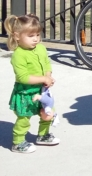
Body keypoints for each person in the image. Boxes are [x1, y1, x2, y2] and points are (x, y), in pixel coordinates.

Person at [5, 14, 59, 154]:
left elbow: (47, 63)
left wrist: (48, 75)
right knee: (24, 119)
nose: (36, 39)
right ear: (17, 36)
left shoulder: (40, 49)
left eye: (37, 34)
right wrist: (43, 79)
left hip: (42, 91)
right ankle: (17, 142)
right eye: (30, 36)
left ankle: (43, 135)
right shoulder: (19, 55)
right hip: (26, 94)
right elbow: (23, 77)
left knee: (47, 113)